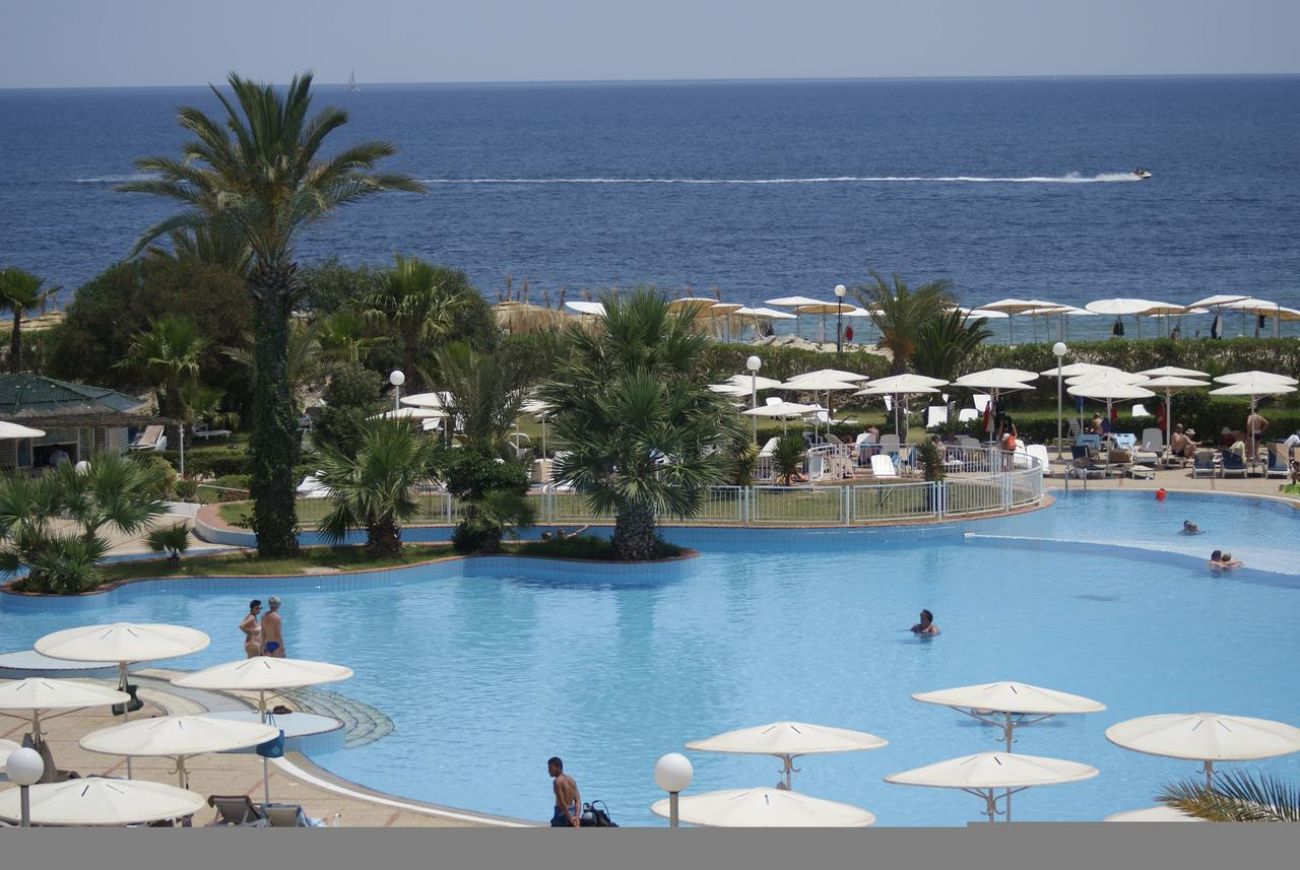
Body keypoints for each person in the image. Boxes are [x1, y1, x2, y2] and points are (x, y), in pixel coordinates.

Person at [548, 757, 581, 827]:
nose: (548, 771)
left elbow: (562, 803)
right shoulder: (571, 779)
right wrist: (577, 817)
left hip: (562, 813)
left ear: (558, 767)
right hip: (572, 811)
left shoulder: (557, 781)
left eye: (551, 768)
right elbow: (577, 800)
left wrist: (570, 819)